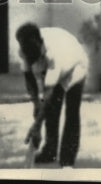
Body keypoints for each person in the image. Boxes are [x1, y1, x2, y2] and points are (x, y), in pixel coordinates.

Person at [16, 22, 88, 168]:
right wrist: (35, 104)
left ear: (40, 45)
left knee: (71, 111)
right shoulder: (24, 50)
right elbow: (29, 80)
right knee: (51, 110)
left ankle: (67, 159)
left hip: (76, 65)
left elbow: (48, 95)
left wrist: (36, 126)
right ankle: (50, 152)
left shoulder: (54, 54)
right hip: (58, 63)